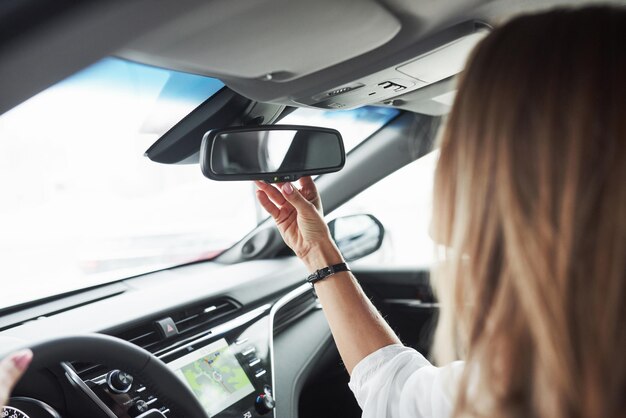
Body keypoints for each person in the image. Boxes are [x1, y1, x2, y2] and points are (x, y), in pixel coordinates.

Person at [255, 5, 625, 418]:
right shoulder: (538, 374)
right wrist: (317, 251)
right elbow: (399, 396)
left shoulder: (531, 387)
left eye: (464, 149)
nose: (442, 230)